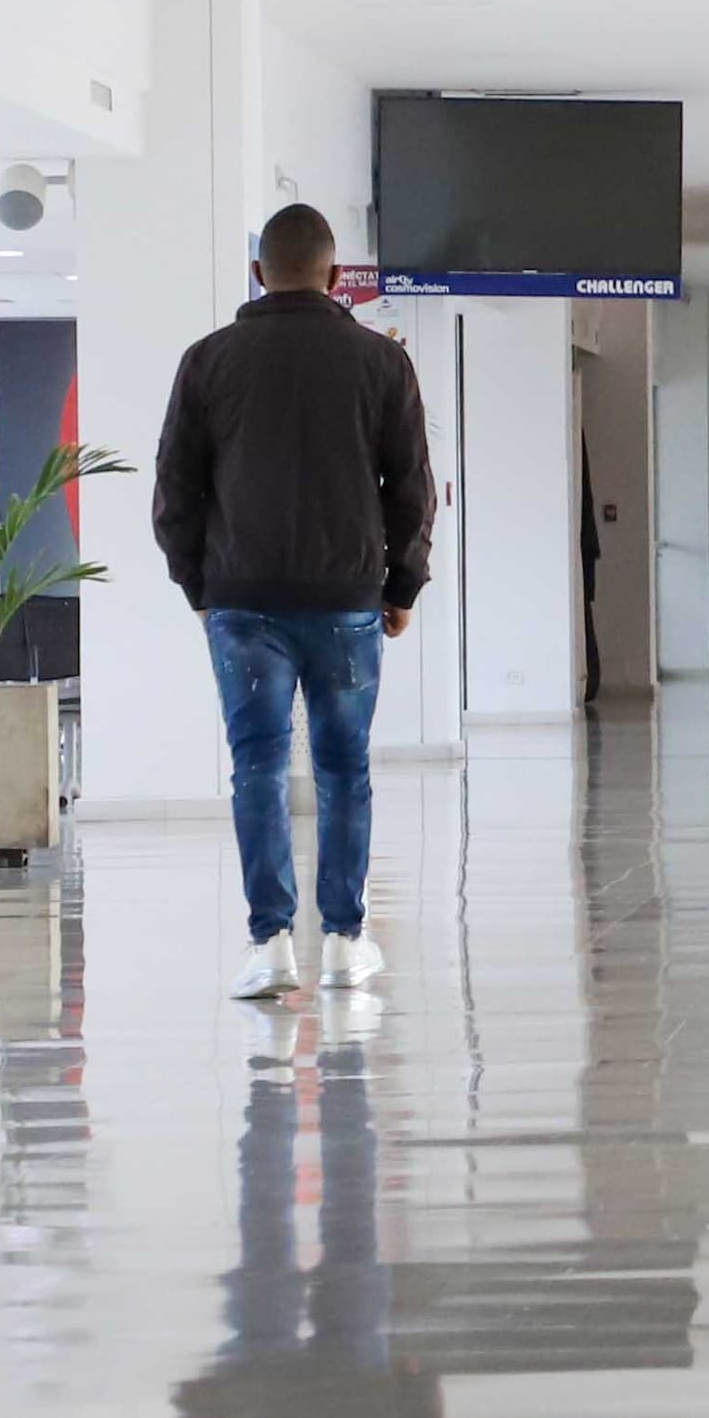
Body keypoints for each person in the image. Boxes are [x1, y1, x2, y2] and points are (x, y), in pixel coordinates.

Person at [155, 200, 434, 1001]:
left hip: (242, 600)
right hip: (347, 600)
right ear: (336, 275)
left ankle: (270, 943)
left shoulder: (208, 361)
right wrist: (401, 586)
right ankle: (344, 941)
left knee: (258, 767)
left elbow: (176, 487)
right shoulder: (382, 363)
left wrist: (197, 584)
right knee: (345, 768)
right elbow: (410, 490)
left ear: (258, 273)